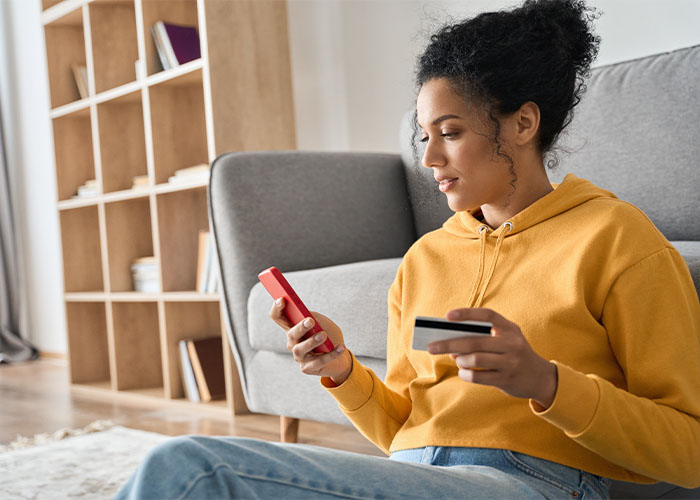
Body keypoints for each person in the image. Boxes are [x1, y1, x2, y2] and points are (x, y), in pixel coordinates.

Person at [116, 0, 700, 498]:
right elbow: (402, 429)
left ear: (523, 124)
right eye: (425, 137)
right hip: (414, 473)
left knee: (195, 470)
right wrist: (342, 371)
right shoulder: (425, 260)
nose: (428, 159)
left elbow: (689, 449)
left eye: (450, 133)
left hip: (535, 482)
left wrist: (548, 384)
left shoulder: (616, 239)